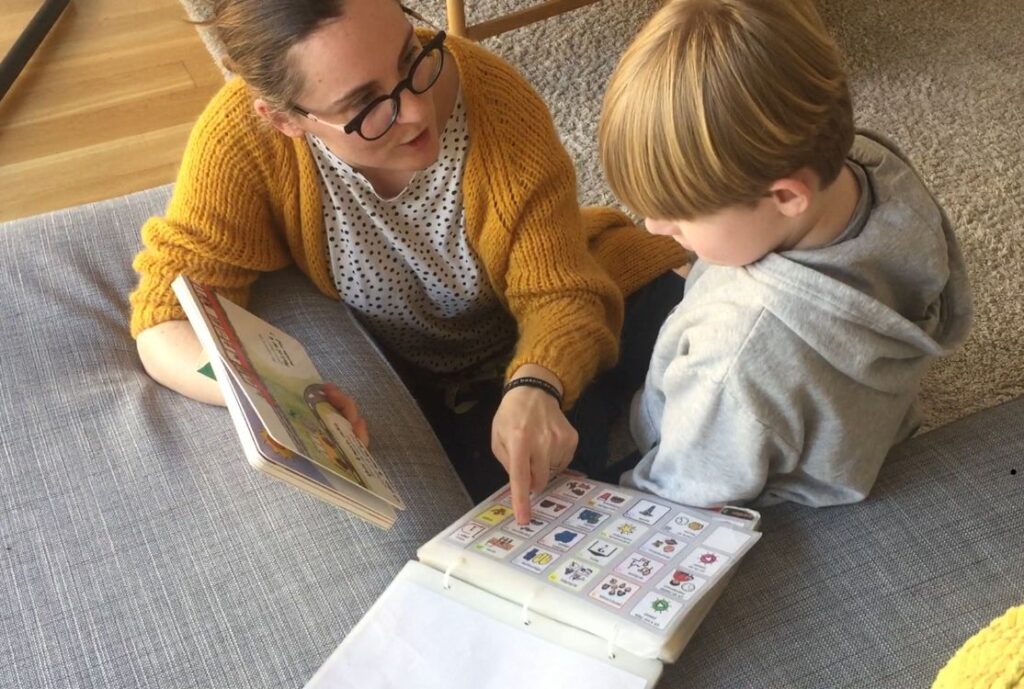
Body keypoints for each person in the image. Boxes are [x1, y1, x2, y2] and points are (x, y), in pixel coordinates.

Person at [129, 0, 686, 522]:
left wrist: (538, 383)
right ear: (285, 120)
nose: (418, 111)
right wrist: (273, 400)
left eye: (410, 56)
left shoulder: (495, 103)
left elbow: (559, 291)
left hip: (566, 304)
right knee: (521, 510)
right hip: (438, 383)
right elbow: (164, 316)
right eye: (368, 107)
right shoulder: (243, 143)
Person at [596, 0, 972, 507]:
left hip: (751, 478)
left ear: (787, 198)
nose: (656, 227)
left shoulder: (734, 357)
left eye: (682, 216)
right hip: (849, 423)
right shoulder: (873, 167)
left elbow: (683, 491)